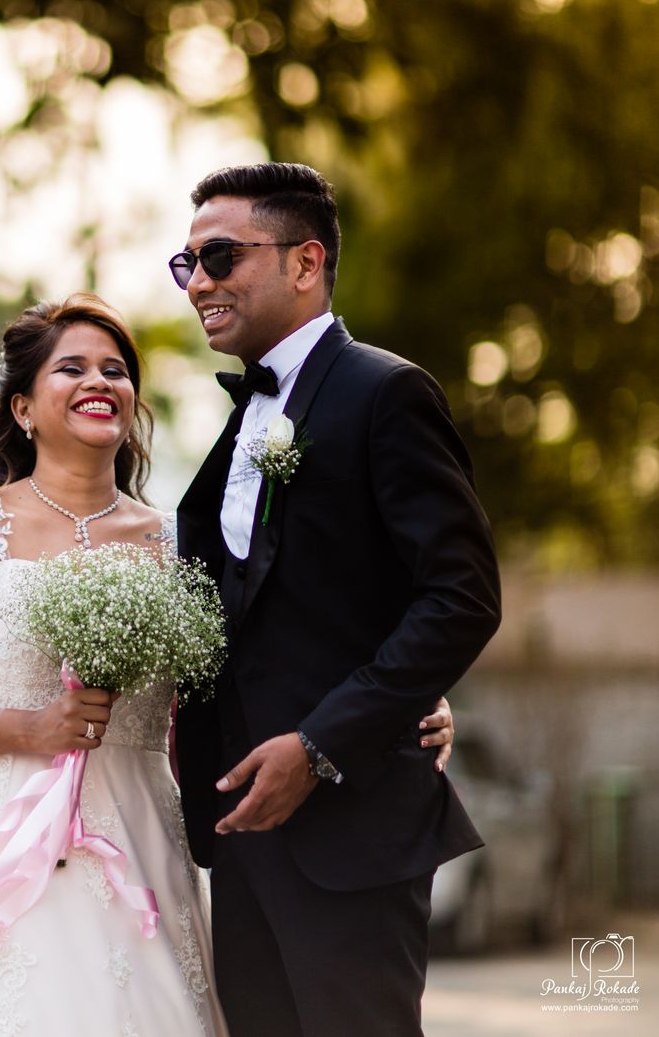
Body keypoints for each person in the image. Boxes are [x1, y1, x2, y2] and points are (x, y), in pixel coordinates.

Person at [0, 292, 455, 1037]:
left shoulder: (182, 542)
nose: (100, 382)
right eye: (73, 368)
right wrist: (26, 729)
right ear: (23, 408)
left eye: (116, 370)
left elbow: (272, 655)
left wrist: (399, 698)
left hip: (138, 830)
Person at [172, 163, 502, 1037]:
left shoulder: (386, 392)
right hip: (242, 833)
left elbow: (462, 596)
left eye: (219, 255)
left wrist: (321, 745)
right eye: (187, 263)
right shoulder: (239, 424)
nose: (199, 280)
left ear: (305, 262)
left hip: (350, 827)